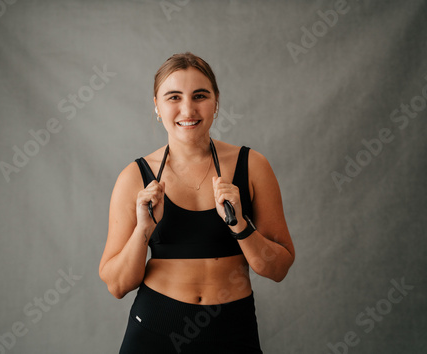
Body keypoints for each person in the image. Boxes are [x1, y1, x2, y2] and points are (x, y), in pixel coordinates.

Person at [99, 52, 295, 353]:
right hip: (155, 329)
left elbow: (278, 269)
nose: (187, 109)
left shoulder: (252, 165)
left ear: (216, 102)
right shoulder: (135, 176)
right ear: (156, 106)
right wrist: (143, 229)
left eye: (200, 95)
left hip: (232, 330)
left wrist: (240, 224)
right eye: (173, 97)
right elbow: (117, 285)